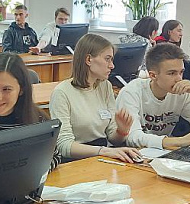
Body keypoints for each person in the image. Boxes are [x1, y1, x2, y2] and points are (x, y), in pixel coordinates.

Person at [49, 33, 141, 162]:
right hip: (74, 161)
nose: (112, 66)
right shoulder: (62, 92)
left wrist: (122, 130)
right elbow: (64, 146)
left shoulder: (105, 86)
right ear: (88, 59)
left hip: (101, 155)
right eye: (107, 59)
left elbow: (113, 137)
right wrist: (104, 151)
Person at [116, 43, 190, 150]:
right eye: (172, 73)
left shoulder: (183, 92)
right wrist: (179, 141)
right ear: (153, 75)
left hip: (162, 151)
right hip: (132, 153)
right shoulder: (131, 92)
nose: (179, 79)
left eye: (181, 72)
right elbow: (132, 137)